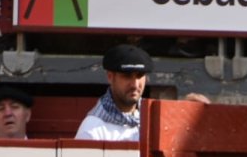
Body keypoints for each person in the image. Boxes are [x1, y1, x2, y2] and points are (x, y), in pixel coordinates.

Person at [76, 44, 209, 142]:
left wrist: (184, 113)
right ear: (110, 77)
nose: (134, 84)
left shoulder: (152, 120)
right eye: (127, 76)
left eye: (139, 76)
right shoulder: (92, 129)